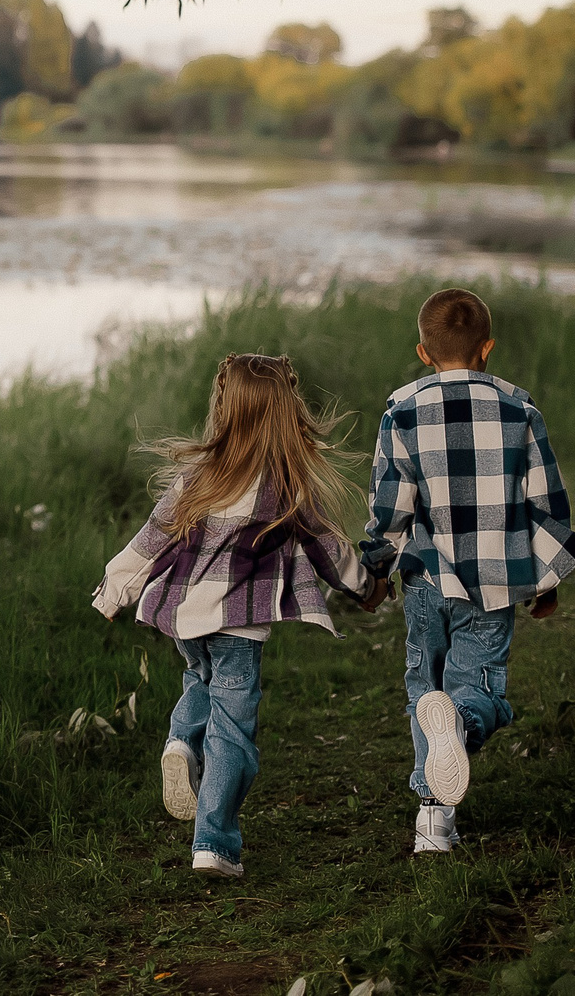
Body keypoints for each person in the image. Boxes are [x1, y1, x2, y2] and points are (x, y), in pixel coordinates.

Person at [93, 352, 383, 879]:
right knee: (232, 730)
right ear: (286, 413)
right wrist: (366, 587)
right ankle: (215, 844)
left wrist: (114, 593)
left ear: (223, 409)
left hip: (185, 619)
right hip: (238, 626)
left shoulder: (195, 477)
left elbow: (150, 541)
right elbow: (330, 550)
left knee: (198, 681)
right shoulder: (287, 486)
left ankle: (181, 743)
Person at [359, 288, 575, 856]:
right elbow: (546, 506)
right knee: (478, 690)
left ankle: (433, 822)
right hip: (493, 587)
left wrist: (376, 572)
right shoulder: (521, 413)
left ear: (422, 351)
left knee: (425, 688)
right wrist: (547, 582)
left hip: (426, 582)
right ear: (488, 347)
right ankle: (460, 727)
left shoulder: (401, 414)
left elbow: (390, 509)